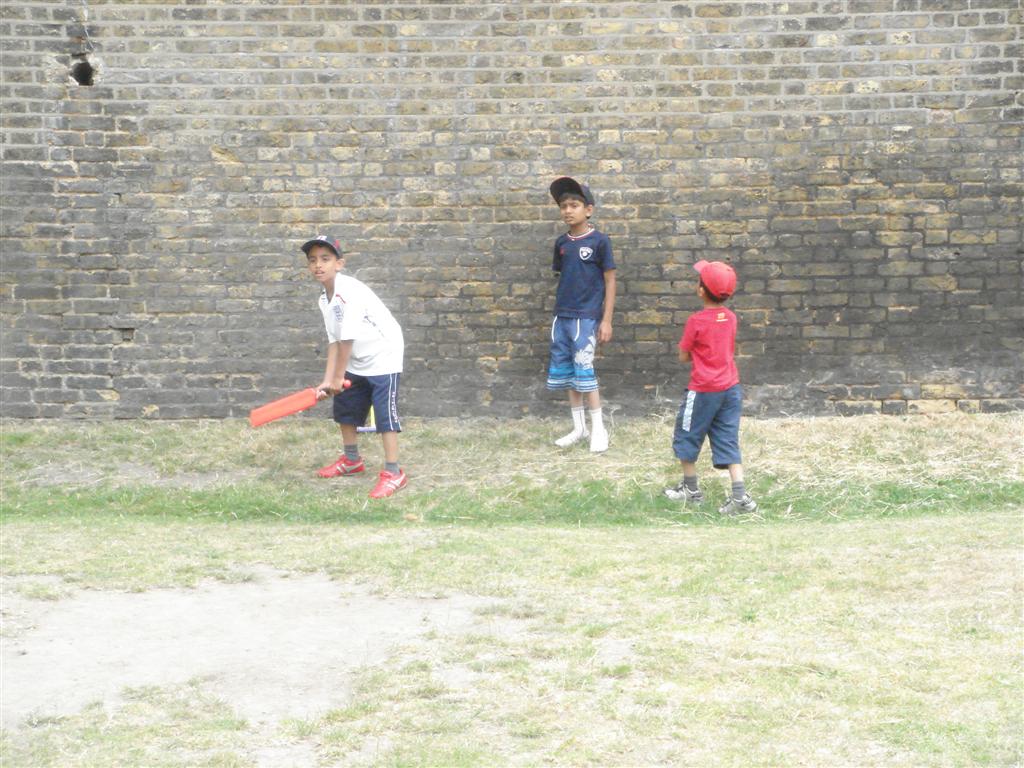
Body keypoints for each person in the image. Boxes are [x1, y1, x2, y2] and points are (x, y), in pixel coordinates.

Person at [303, 235, 408, 499]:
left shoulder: (348, 291)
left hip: (384, 354)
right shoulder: (324, 300)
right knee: (346, 407)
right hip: (357, 357)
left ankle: (394, 472)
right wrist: (329, 381)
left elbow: (347, 337)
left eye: (325, 259)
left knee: (385, 417)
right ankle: (352, 461)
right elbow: (335, 342)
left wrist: (338, 377)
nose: (319, 265)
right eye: (313, 260)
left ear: (339, 264)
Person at [664, 260, 757, 515]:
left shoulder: (696, 321)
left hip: (703, 390)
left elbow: (684, 356)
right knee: (728, 440)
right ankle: (740, 496)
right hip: (730, 389)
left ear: (701, 291)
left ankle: (691, 489)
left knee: (687, 435)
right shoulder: (731, 318)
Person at [546, 176, 617, 453]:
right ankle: (579, 428)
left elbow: (610, 280)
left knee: (585, 371)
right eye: (563, 205)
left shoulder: (600, 241)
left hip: (586, 318)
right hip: (561, 317)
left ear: (588, 209)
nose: (567, 210)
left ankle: (599, 429)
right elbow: (564, 277)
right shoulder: (561, 243)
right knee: (568, 374)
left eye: (574, 204)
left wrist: (606, 320)